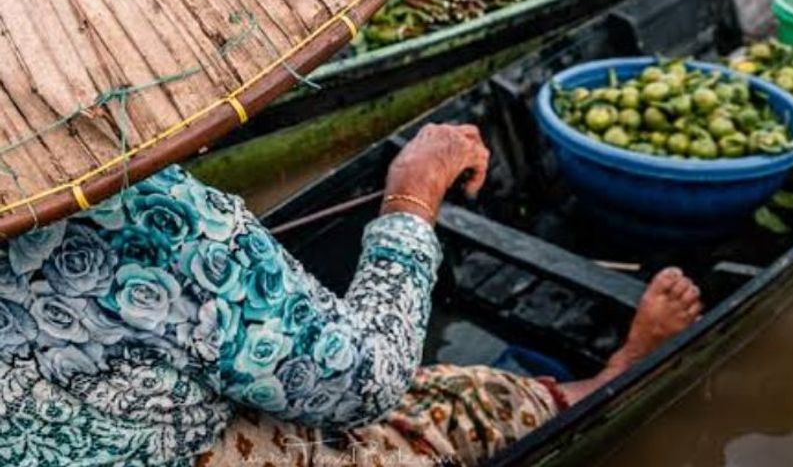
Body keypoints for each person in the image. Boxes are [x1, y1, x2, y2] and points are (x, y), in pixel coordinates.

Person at [0, 122, 702, 467]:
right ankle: (606, 378)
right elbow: (365, 381)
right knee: (450, 405)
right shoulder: (150, 215)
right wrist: (413, 193)